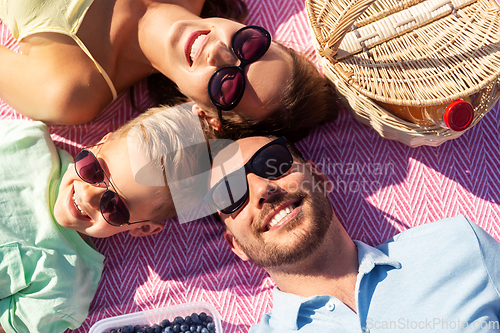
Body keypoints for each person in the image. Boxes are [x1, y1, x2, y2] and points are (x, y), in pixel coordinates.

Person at [206, 136, 500, 332]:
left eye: (273, 163)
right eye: (231, 193)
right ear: (236, 246)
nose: (262, 189)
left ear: (319, 178)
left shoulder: (456, 245)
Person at [0, 0, 338, 142]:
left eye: (229, 85)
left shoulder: (69, 91)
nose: (220, 52)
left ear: (207, 116)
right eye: (249, 45)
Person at [0, 103, 207, 333]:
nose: (88, 194)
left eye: (113, 205)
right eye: (94, 170)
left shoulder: (64, 289)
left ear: (144, 228)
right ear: (101, 142)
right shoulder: (28, 142)